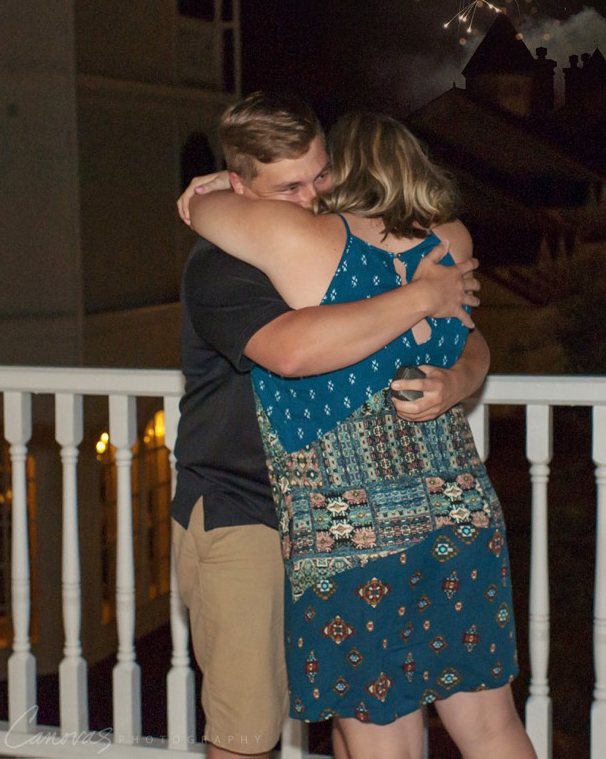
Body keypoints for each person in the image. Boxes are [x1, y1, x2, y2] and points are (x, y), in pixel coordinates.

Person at [186, 111, 535, 759]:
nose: (308, 195)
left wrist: (211, 190)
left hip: (353, 526)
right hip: (459, 508)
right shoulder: (451, 243)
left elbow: (201, 212)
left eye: (316, 177)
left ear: (340, 172)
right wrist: (451, 361)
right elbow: (470, 335)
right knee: (491, 728)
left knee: (383, 737)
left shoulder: (308, 240)